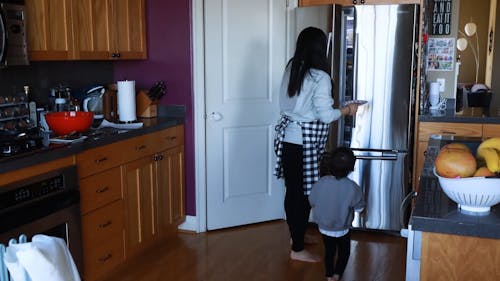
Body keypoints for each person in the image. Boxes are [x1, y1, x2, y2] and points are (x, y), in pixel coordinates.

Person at [273, 27, 358, 263]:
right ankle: (297, 249)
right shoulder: (319, 77)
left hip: (290, 141)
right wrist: (346, 110)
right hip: (305, 144)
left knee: (293, 192)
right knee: (302, 196)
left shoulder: (293, 68)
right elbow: (325, 116)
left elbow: (302, 107)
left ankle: (295, 238)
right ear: (321, 49)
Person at [309, 148, 365, 281]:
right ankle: (337, 274)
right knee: (344, 252)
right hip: (342, 229)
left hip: (323, 227)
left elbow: (312, 201)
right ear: (351, 168)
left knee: (329, 251)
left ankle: (329, 275)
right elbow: (359, 208)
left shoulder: (321, 182)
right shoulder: (353, 187)